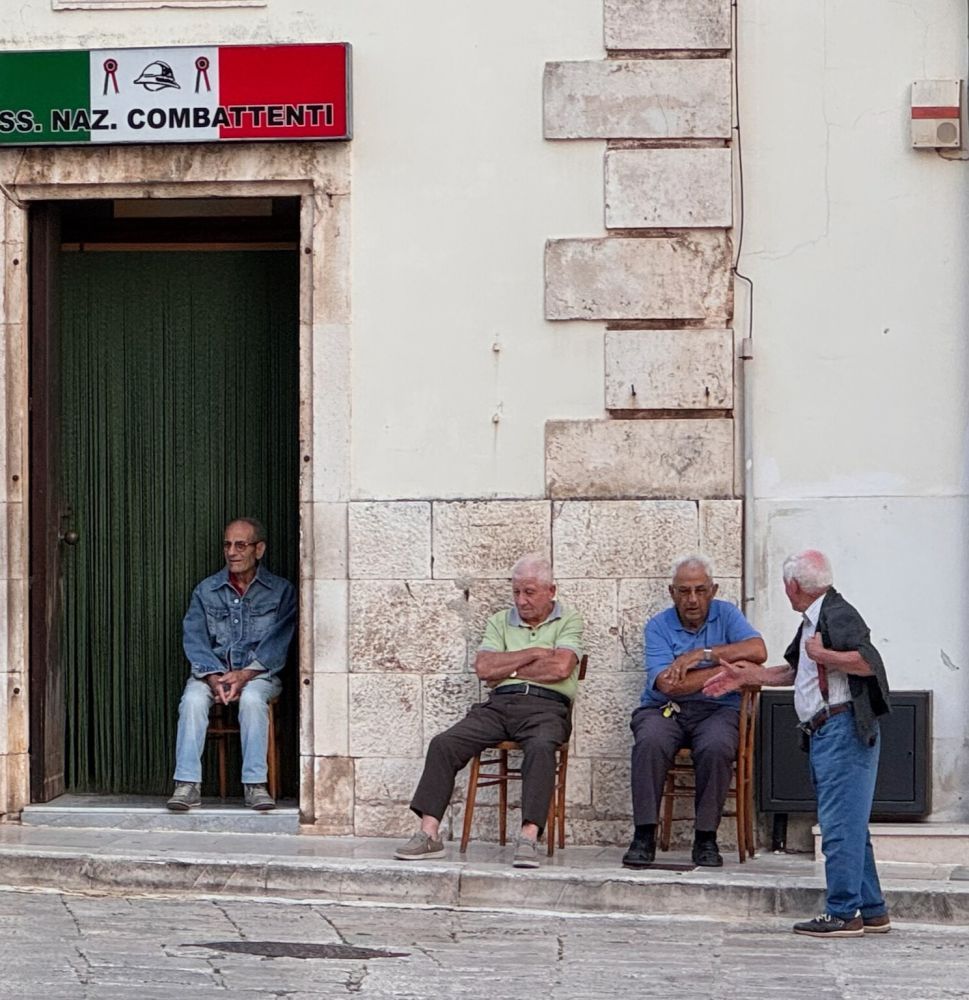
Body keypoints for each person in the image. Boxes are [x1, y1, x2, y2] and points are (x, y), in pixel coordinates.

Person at [703, 549, 891, 938]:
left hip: (842, 729)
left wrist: (824, 654)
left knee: (839, 827)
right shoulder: (816, 617)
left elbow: (868, 663)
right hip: (827, 730)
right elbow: (797, 671)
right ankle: (872, 910)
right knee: (850, 825)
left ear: (792, 586)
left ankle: (843, 913)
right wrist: (747, 676)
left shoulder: (837, 614)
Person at [395, 553, 583, 869]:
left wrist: (508, 668)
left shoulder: (569, 620)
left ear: (551, 591)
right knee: (444, 743)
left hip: (547, 708)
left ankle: (528, 836)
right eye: (516, 592)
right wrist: (535, 653)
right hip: (499, 706)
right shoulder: (499, 621)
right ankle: (429, 833)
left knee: (540, 746)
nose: (521, 601)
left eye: (529, 592)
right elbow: (484, 668)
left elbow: (561, 667)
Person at [624, 555, 767, 869]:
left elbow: (758, 650)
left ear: (713, 590)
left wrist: (701, 655)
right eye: (684, 591)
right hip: (666, 708)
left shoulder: (727, 615)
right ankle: (644, 834)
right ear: (671, 592)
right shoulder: (658, 626)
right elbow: (668, 685)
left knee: (717, 745)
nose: (692, 599)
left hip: (719, 709)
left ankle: (705, 838)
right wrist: (730, 671)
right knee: (649, 739)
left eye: (700, 590)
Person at [167, 517, 296, 812]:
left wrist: (244, 675)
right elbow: (195, 639)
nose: (232, 552)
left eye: (241, 545)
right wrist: (214, 678)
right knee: (192, 701)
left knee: (252, 700)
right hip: (211, 674)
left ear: (259, 549)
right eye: (227, 545)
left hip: (259, 674)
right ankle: (186, 784)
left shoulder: (281, 591)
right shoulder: (206, 590)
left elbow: (278, 641)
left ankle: (255, 785)